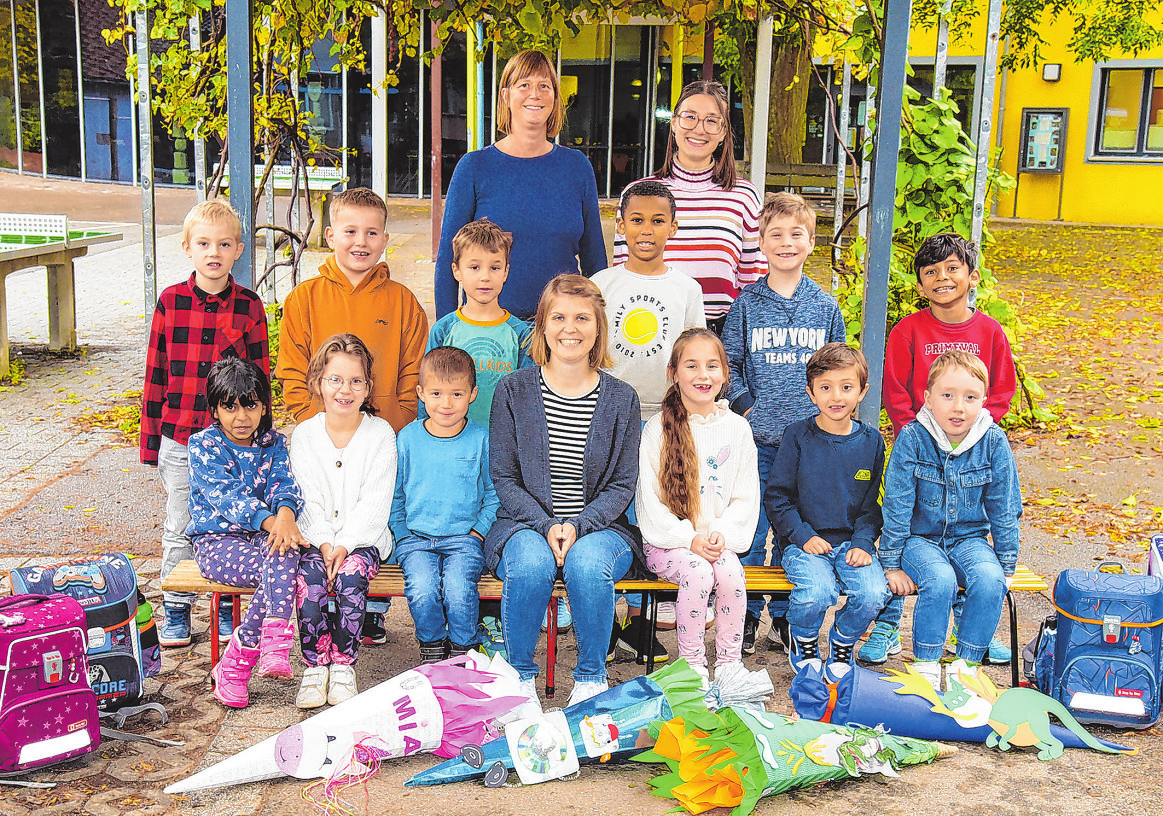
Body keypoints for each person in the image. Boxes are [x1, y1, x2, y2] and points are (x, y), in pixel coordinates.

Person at [277, 187, 427, 646]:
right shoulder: (304, 298)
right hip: (323, 434)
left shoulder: (402, 301)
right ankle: (323, 599)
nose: (360, 241)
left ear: (385, 239)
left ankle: (371, 608)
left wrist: (395, 425)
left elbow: (413, 372)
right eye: (350, 231)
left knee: (374, 510)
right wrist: (319, 425)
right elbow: (291, 371)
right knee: (324, 507)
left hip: (384, 437)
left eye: (371, 232)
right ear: (330, 236)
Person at [860, 233, 1018, 666]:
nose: (943, 277)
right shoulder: (909, 330)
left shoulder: (989, 331)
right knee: (910, 531)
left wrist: (974, 431)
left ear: (972, 276)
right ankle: (888, 624)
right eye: (931, 272)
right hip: (921, 443)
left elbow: (1001, 389)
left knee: (971, 550)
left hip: (972, 444)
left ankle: (969, 633)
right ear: (920, 285)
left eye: (952, 268)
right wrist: (919, 434)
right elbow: (895, 390)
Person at [486, 275, 641, 706]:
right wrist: (546, 525)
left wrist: (578, 525)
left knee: (588, 563)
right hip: (524, 523)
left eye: (582, 318)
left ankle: (591, 680)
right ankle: (518, 681)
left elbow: (622, 484)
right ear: (542, 324)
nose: (569, 328)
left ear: (598, 327)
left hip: (602, 527)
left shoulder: (622, 399)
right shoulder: (513, 391)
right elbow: (504, 477)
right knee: (531, 563)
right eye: (558, 317)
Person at [722, 192, 845, 656]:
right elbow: (729, 363)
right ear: (762, 242)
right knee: (751, 533)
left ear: (811, 242)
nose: (786, 242)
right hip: (757, 441)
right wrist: (747, 407)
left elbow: (839, 366)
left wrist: (828, 418)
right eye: (776, 234)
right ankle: (745, 617)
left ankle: (786, 620)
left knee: (797, 532)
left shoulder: (825, 306)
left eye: (797, 234)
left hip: (810, 446)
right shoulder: (747, 304)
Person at [141, 199, 267, 649]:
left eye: (225, 244)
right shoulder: (170, 302)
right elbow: (155, 374)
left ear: (239, 250)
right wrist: (150, 445)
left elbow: (259, 379)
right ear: (187, 248)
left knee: (232, 524)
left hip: (232, 442)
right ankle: (176, 609)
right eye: (204, 244)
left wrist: (260, 441)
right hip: (179, 438)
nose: (214, 252)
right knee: (180, 524)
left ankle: (228, 608)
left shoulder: (249, 306)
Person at [593, 179, 704, 663]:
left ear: (673, 227)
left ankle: (641, 618)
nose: (646, 230)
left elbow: (694, 355)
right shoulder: (602, 284)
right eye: (636, 220)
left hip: (665, 416)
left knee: (654, 515)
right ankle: (607, 615)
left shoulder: (686, 289)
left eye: (658, 221)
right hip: (609, 416)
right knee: (610, 511)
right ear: (620, 225)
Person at [880, 351, 1022, 691]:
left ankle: (966, 667)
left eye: (970, 397)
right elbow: (897, 504)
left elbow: (1004, 507)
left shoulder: (992, 441)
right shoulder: (913, 438)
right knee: (940, 580)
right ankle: (926, 665)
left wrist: (1006, 564)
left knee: (989, 580)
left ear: (984, 401)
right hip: (919, 540)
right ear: (928, 399)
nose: (958, 407)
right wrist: (891, 563)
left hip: (969, 539)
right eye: (948, 395)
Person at [435, 49, 606, 321]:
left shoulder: (577, 167)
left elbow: (595, 261)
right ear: (506, 95)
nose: (535, 94)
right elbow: (448, 260)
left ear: (555, 97)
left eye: (544, 86)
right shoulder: (474, 168)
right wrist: (448, 330)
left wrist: (596, 324)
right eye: (524, 85)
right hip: (489, 330)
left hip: (561, 329)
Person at [635, 329, 759, 688]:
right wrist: (688, 538)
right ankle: (692, 666)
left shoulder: (737, 428)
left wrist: (722, 534)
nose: (703, 375)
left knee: (731, 573)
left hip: (718, 541)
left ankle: (730, 664)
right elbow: (649, 500)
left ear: (725, 373)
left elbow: (746, 495)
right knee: (700, 572)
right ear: (673, 373)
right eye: (691, 366)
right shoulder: (657, 428)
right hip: (668, 543)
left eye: (712, 366)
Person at [763, 343, 887, 681]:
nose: (836, 396)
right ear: (811, 392)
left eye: (846, 387)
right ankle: (803, 639)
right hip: (804, 543)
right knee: (817, 591)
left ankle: (843, 640)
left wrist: (863, 542)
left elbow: (872, 506)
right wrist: (803, 536)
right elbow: (777, 497)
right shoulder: (797, 436)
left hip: (851, 545)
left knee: (874, 593)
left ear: (862, 391)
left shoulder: (872, 442)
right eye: (826, 387)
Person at [186, 357, 304, 707]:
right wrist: (275, 523)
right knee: (279, 565)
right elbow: (228, 496)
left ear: (264, 406)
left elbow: (285, 484)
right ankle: (265, 648)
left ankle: (239, 663)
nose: (241, 417)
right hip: (215, 542)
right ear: (214, 409)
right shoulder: (203, 446)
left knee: (284, 553)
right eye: (230, 407)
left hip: (262, 537)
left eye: (250, 405)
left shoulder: (273, 443)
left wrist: (286, 515)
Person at [289, 334, 397, 708]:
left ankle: (343, 666)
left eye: (355, 381)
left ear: (368, 387)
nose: (344, 390)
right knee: (309, 579)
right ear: (319, 381)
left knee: (351, 576)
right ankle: (314, 666)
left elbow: (376, 502)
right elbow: (306, 499)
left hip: (364, 540)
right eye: (335, 379)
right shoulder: (305, 435)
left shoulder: (380, 434)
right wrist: (324, 543)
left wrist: (346, 544)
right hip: (316, 538)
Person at [612, 80, 765, 331]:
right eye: (690, 117)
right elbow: (622, 273)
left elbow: (754, 282)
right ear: (674, 123)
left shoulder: (744, 196)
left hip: (721, 335)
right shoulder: (638, 194)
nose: (699, 129)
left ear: (724, 131)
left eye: (711, 120)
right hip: (651, 329)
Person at [391, 347, 499, 663]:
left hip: (464, 539)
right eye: (436, 393)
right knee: (422, 589)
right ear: (421, 393)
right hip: (416, 539)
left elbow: (494, 493)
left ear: (472, 394)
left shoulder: (481, 438)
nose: (446, 403)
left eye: (457, 394)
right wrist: (402, 533)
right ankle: (433, 649)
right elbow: (395, 493)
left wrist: (478, 533)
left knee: (458, 589)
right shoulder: (407, 438)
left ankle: (463, 649)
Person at [427, 218, 532, 430]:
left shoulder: (520, 333)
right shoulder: (444, 330)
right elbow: (428, 386)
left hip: (503, 439)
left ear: (506, 272)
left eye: (495, 267)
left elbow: (527, 395)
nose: (485, 277)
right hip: (453, 437)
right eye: (474, 267)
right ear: (457, 271)